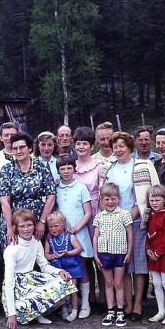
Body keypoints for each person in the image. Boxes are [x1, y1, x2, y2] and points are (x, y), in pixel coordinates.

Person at [99, 131, 160, 321]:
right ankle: (125, 302)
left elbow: (154, 190)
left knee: (138, 264)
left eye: (121, 146)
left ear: (129, 147)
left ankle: (138, 304)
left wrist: (135, 212)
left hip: (137, 219)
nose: (118, 150)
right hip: (114, 223)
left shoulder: (143, 165)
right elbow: (103, 195)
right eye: (115, 146)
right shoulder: (107, 167)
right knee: (122, 264)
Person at [2, 209, 77, 329]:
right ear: (16, 228)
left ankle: (39, 312)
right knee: (22, 310)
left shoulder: (36, 241)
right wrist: (12, 314)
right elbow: (9, 283)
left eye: (29, 225)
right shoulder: (11, 250)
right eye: (22, 226)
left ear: (34, 225)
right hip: (17, 284)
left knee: (64, 282)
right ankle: (30, 313)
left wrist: (59, 271)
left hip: (31, 278)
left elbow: (44, 265)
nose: (26, 229)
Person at [0, 133, 56, 250]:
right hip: (14, 220)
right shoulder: (7, 169)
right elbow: (5, 201)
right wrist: (11, 227)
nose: (18, 151)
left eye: (22, 147)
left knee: (39, 256)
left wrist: (42, 222)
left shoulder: (42, 167)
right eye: (15, 148)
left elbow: (51, 196)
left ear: (29, 148)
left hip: (37, 219)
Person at [55, 154, 93, 319]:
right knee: (65, 268)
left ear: (74, 169)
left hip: (79, 233)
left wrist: (77, 227)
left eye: (69, 168)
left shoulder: (81, 187)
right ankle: (67, 304)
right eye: (62, 168)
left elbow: (88, 212)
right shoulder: (56, 188)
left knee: (81, 267)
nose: (66, 171)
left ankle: (85, 304)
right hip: (63, 235)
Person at [72, 126, 106, 311]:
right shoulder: (71, 166)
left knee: (98, 256)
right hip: (77, 216)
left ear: (91, 146)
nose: (81, 146)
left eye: (85, 143)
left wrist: (101, 216)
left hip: (95, 213)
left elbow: (102, 192)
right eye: (78, 143)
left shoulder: (99, 167)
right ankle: (89, 295)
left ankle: (103, 297)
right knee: (82, 256)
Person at [93, 182, 133, 327]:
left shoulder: (124, 214)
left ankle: (120, 311)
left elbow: (130, 233)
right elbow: (96, 236)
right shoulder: (99, 217)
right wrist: (95, 254)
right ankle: (110, 311)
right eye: (106, 199)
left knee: (118, 282)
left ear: (119, 198)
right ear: (102, 200)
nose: (110, 202)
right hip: (104, 254)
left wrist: (129, 251)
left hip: (120, 254)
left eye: (113, 199)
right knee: (108, 283)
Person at [44, 211, 84, 322]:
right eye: (50, 227)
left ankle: (75, 310)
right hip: (59, 268)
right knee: (62, 290)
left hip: (72, 266)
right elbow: (46, 255)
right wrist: (52, 256)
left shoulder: (70, 237)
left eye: (56, 226)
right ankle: (64, 308)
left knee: (73, 290)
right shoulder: (49, 240)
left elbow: (78, 249)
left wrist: (68, 253)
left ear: (63, 225)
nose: (53, 229)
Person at [145, 184, 165, 325]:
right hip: (152, 254)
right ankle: (160, 311)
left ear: (164, 200)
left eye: (158, 200)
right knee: (156, 283)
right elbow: (148, 234)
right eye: (152, 200)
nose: (154, 203)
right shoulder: (150, 214)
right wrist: (148, 249)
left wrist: (157, 253)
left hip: (164, 254)